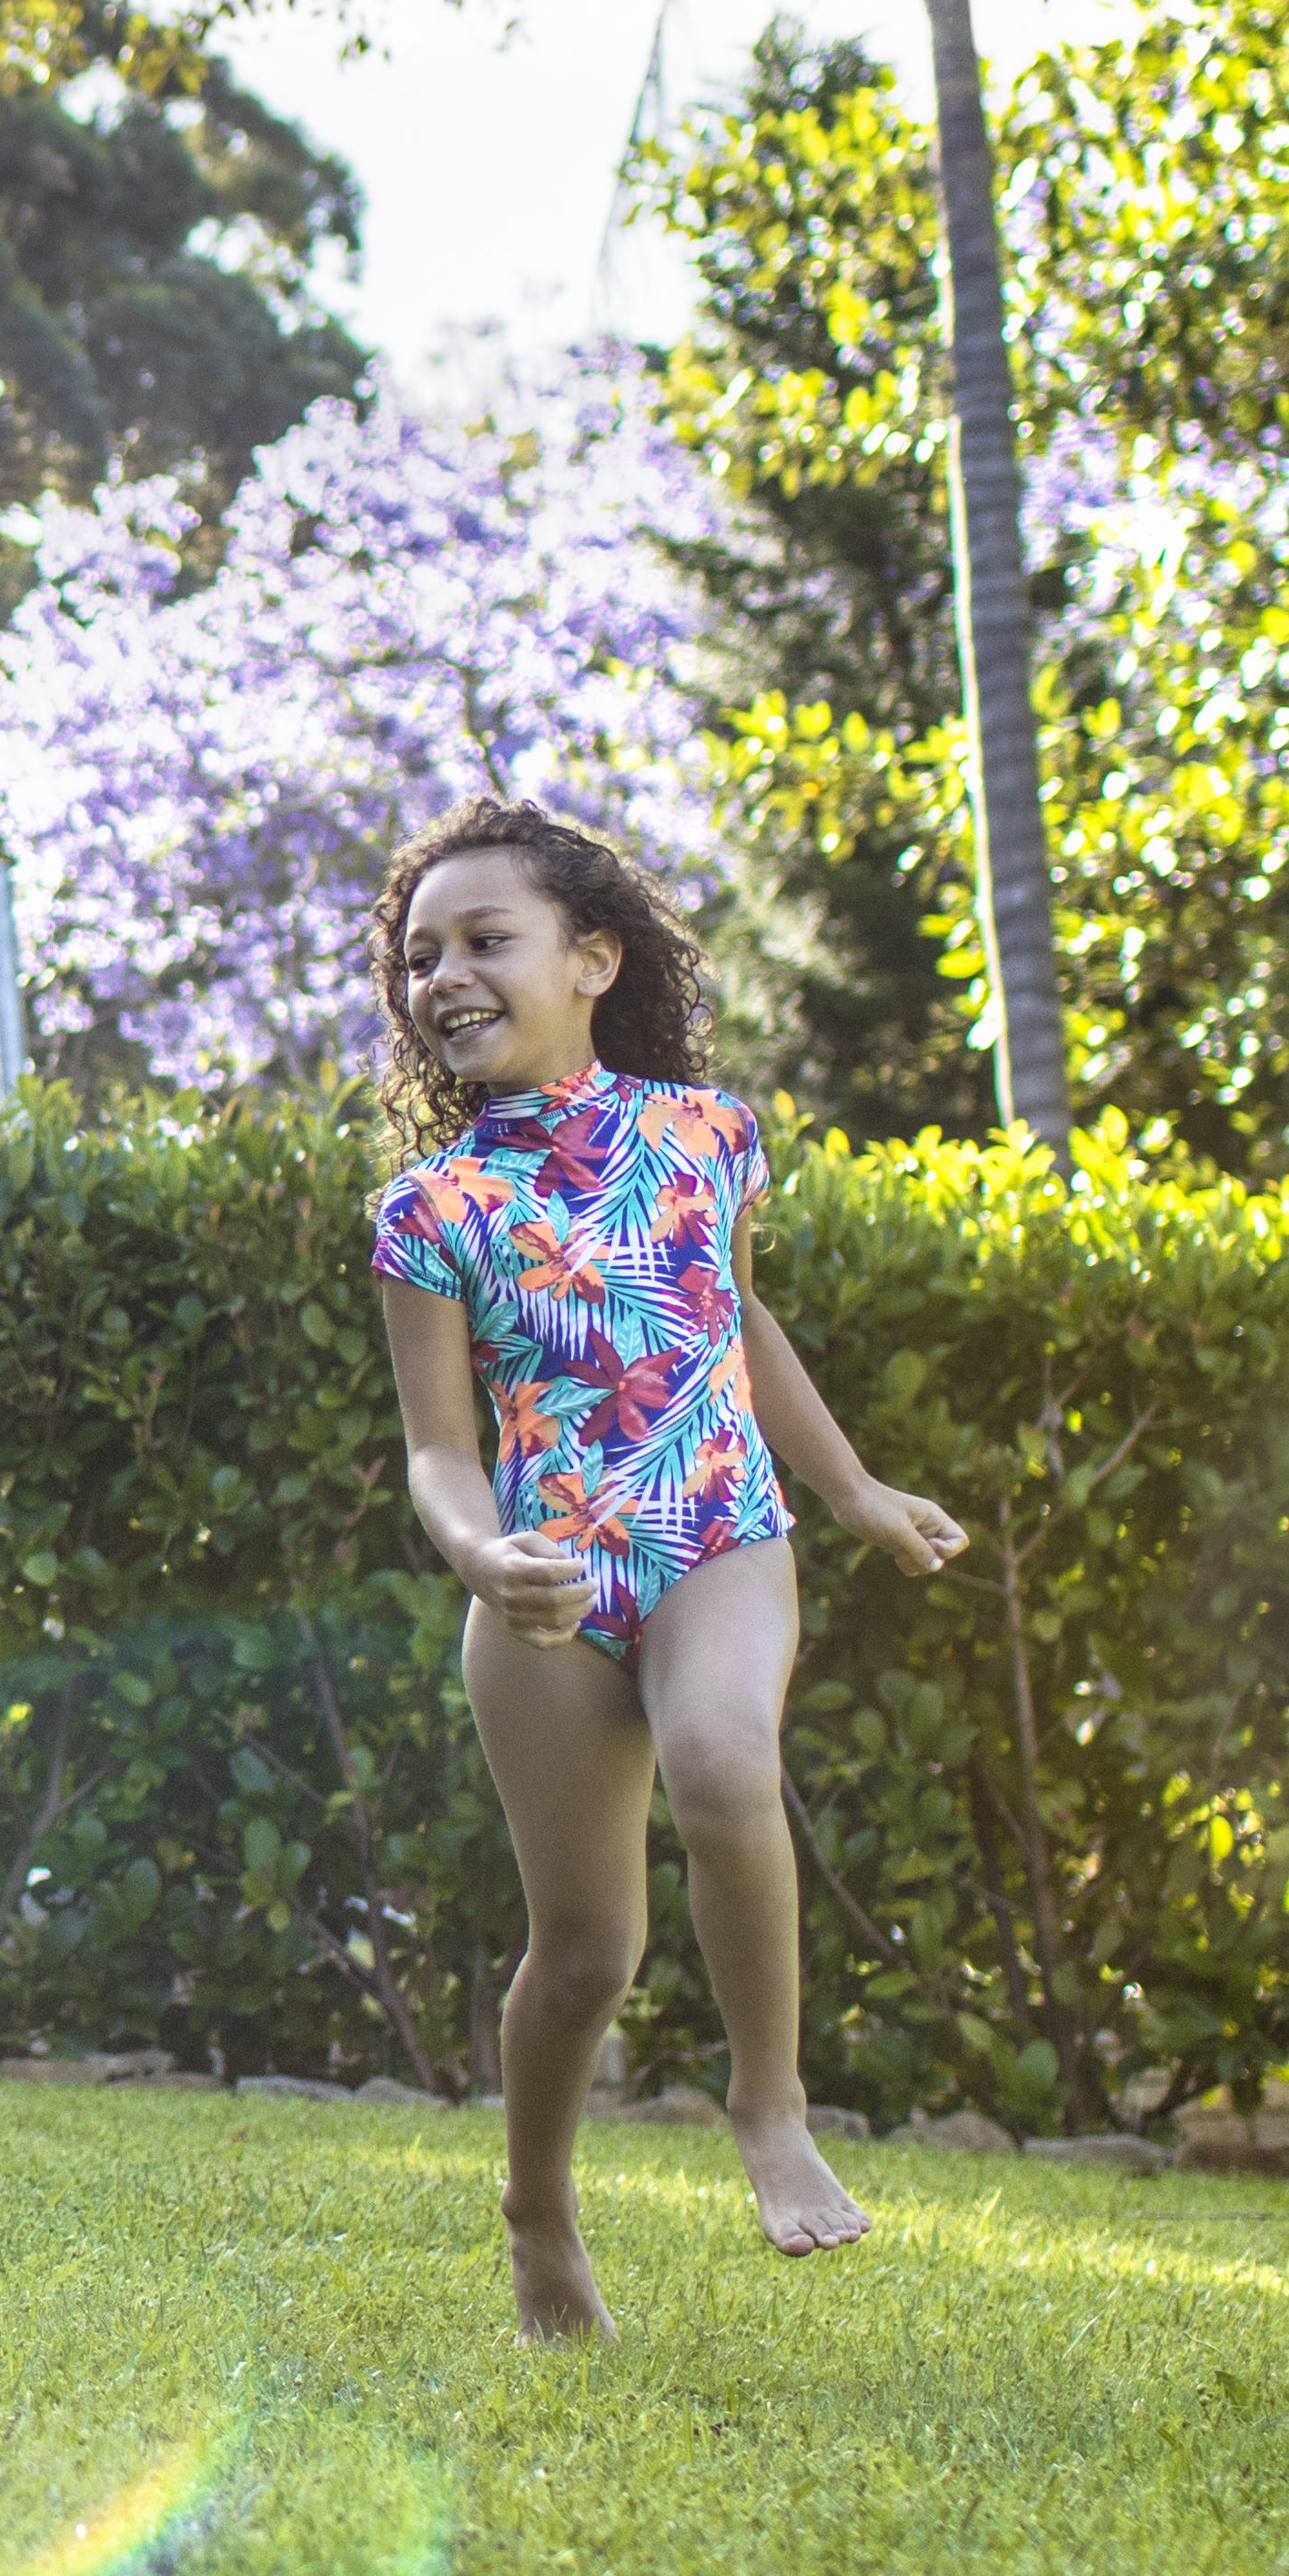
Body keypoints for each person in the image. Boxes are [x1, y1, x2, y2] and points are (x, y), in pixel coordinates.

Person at [365, 794, 964, 2346]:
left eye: (486, 939)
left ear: (594, 956)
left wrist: (853, 1487)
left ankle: (768, 2105)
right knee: (582, 1958)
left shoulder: (708, 1135)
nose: (445, 975)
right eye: (421, 954)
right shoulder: (431, 1208)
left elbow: (738, 1326)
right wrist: (485, 1553)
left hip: (717, 1533)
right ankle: (538, 2208)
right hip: (546, 1581)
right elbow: (437, 1447)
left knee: (720, 1758)